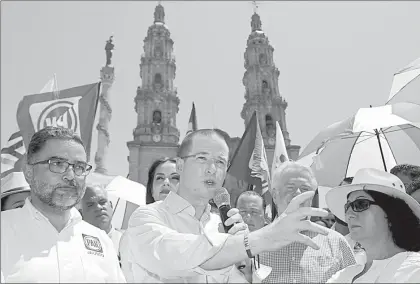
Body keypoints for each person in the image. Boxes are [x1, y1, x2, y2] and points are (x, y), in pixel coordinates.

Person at [123, 129, 330, 283]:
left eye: (221, 162)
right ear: (180, 165)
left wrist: (247, 268)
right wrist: (262, 238)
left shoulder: (222, 225)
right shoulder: (147, 217)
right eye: (202, 158)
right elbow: (177, 256)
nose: (212, 169)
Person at [1, 126, 125, 283]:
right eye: (58, 163)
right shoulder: (4, 231)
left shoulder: (100, 239)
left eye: (79, 167)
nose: (70, 176)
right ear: (29, 172)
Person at [260, 161, 356, 283]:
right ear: (274, 195)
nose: (299, 193)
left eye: (305, 189)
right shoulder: (255, 243)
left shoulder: (336, 242)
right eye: (290, 188)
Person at [326, 168, 420, 283]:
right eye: (347, 207)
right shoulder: (344, 275)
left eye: (360, 204)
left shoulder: (413, 271)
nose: (349, 214)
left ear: (392, 213)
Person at [120, 157, 179, 281]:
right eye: (159, 178)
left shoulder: (204, 226)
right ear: (151, 190)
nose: (166, 182)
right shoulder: (131, 234)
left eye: (175, 178)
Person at [81, 185, 123, 254]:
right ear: (81, 213)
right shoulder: (77, 244)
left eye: (102, 202)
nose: (98, 207)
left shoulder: (127, 241)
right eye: (90, 205)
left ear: (111, 206)